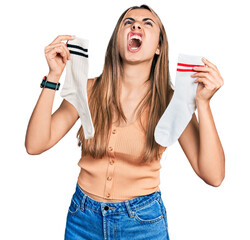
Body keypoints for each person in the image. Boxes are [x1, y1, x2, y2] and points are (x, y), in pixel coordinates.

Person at [25, 4, 225, 240]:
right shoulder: (89, 90)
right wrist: (54, 76)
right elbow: (35, 145)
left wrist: (203, 103)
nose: (136, 25)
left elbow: (214, 175)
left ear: (159, 47)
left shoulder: (172, 103)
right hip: (82, 220)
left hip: (142, 224)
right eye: (128, 22)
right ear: (117, 40)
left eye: (147, 23)